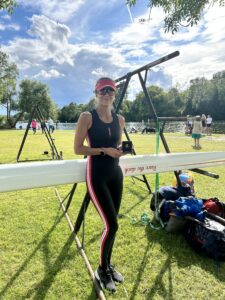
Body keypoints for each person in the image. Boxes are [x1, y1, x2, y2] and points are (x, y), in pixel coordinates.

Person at [74, 77, 125, 293]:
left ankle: (108, 264)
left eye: (110, 91)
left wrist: (121, 149)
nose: (107, 94)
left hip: (116, 174)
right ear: (96, 93)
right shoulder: (87, 116)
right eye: (102, 90)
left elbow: (117, 144)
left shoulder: (120, 119)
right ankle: (102, 270)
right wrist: (105, 150)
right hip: (96, 175)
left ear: (114, 94)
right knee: (112, 225)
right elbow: (78, 149)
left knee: (112, 226)